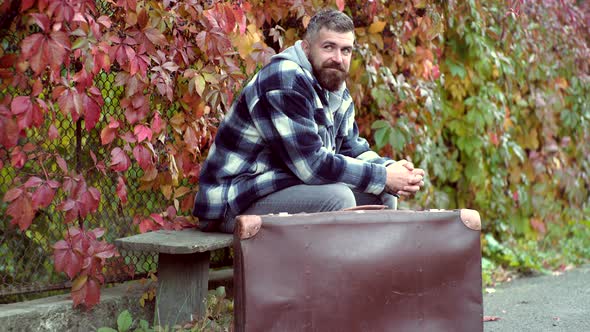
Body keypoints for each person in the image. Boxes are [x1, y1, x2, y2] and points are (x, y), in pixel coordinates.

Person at [193, 9, 425, 233]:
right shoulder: (284, 80)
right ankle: (330, 272)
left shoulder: (334, 88)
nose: (337, 58)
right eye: (328, 47)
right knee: (338, 197)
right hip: (232, 202)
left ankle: (365, 269)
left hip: (281, 189)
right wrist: (383, 177)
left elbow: (351, 148)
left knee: (382, 195)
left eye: (346, 50)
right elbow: (311, 166)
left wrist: (391, 171)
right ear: (306, 48)